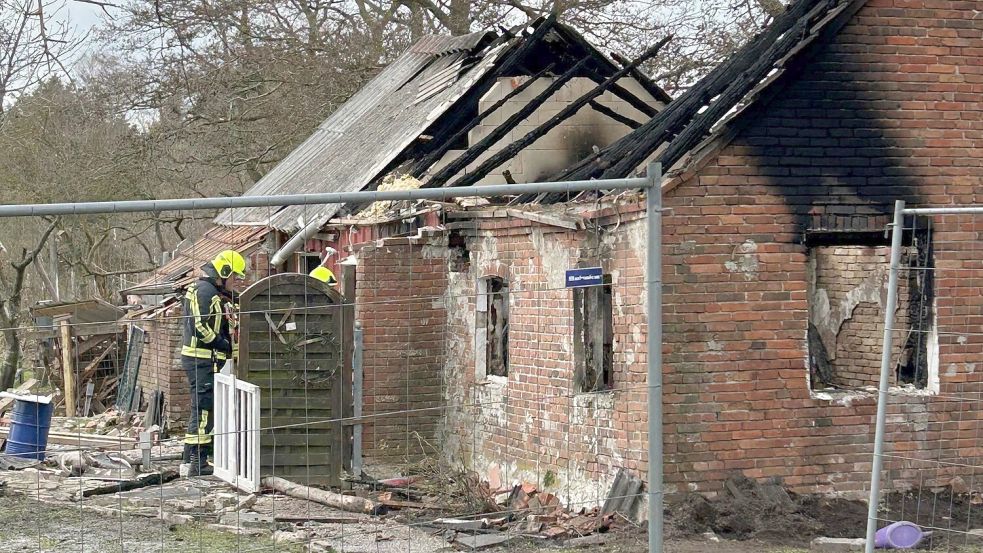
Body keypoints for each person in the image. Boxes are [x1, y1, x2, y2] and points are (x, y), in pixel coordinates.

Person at [181, 249, 246, 476]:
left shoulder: (212, 291)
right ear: (224, 272)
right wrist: (224, 344)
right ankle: (197, 463)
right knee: (204, 410)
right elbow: (201, 328)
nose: (236, 281)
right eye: (235, 276)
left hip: (206, 360)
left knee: (202, 408)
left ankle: (189, 456)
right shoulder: (204, 292)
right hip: (201, 360)